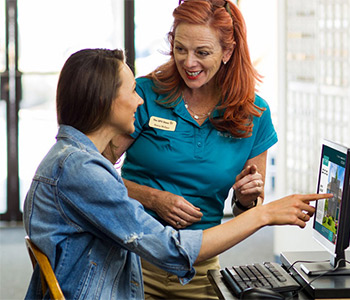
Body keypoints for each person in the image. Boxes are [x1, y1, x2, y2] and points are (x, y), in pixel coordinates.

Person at [23, 48, 331, 300]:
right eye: (132, 91)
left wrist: (249, 204)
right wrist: (264, 216)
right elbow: (172, 250)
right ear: (105, 101)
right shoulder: (81, 170)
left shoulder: (72, 162)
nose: (140, 100)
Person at [104, 0, 320, 299]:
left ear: (227, 52)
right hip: (131, 260)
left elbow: (249, 209)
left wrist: (245, 199)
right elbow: (95, 177)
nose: (189, 62)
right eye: (180, 49)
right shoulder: (144, 94)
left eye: (202, 53)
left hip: (199, 267)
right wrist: (154, 198)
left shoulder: (254, 114)